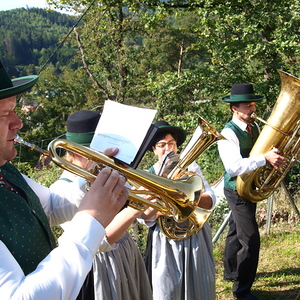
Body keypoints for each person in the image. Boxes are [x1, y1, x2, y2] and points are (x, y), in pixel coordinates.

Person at [0, 60, 128, 299]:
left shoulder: (5, 169)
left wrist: (93, 172)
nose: (18, 122)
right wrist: (92, 219)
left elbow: (51, 207)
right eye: (6, 114)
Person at [49, 110, 153, 300]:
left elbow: (146, 216)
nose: (103, 157)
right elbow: (97, 241)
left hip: (126, 253)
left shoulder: (107, 176)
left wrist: (155, 199)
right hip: (99, 268)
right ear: (75, 152)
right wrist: (133, 210)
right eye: (94, 151)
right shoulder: (62, 189)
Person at [217, 83, 287, 300]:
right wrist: (264, 159)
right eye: (247, 106)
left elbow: (259, 151)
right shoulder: (228, 133)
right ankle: (242, 290)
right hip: (235, 189)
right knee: (251, 239)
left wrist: (273, 153)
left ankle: (230, 273)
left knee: (236, 230)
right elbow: (233, 167)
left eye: (253, 105)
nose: (252, 110)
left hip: (249, 186)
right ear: (234, 109)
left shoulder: (254, 126)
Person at [140, 120, 216, 300]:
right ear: (154, 149)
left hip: (195, 234)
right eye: (162, 144)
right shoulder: (147, 174)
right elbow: (144, 217)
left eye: (172, 143)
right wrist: (165, 205)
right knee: (168, 290)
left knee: (200, 283)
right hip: (166, 241)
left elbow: (211, 200)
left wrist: (185, 200)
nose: (168, 148)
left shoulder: (191, 167)